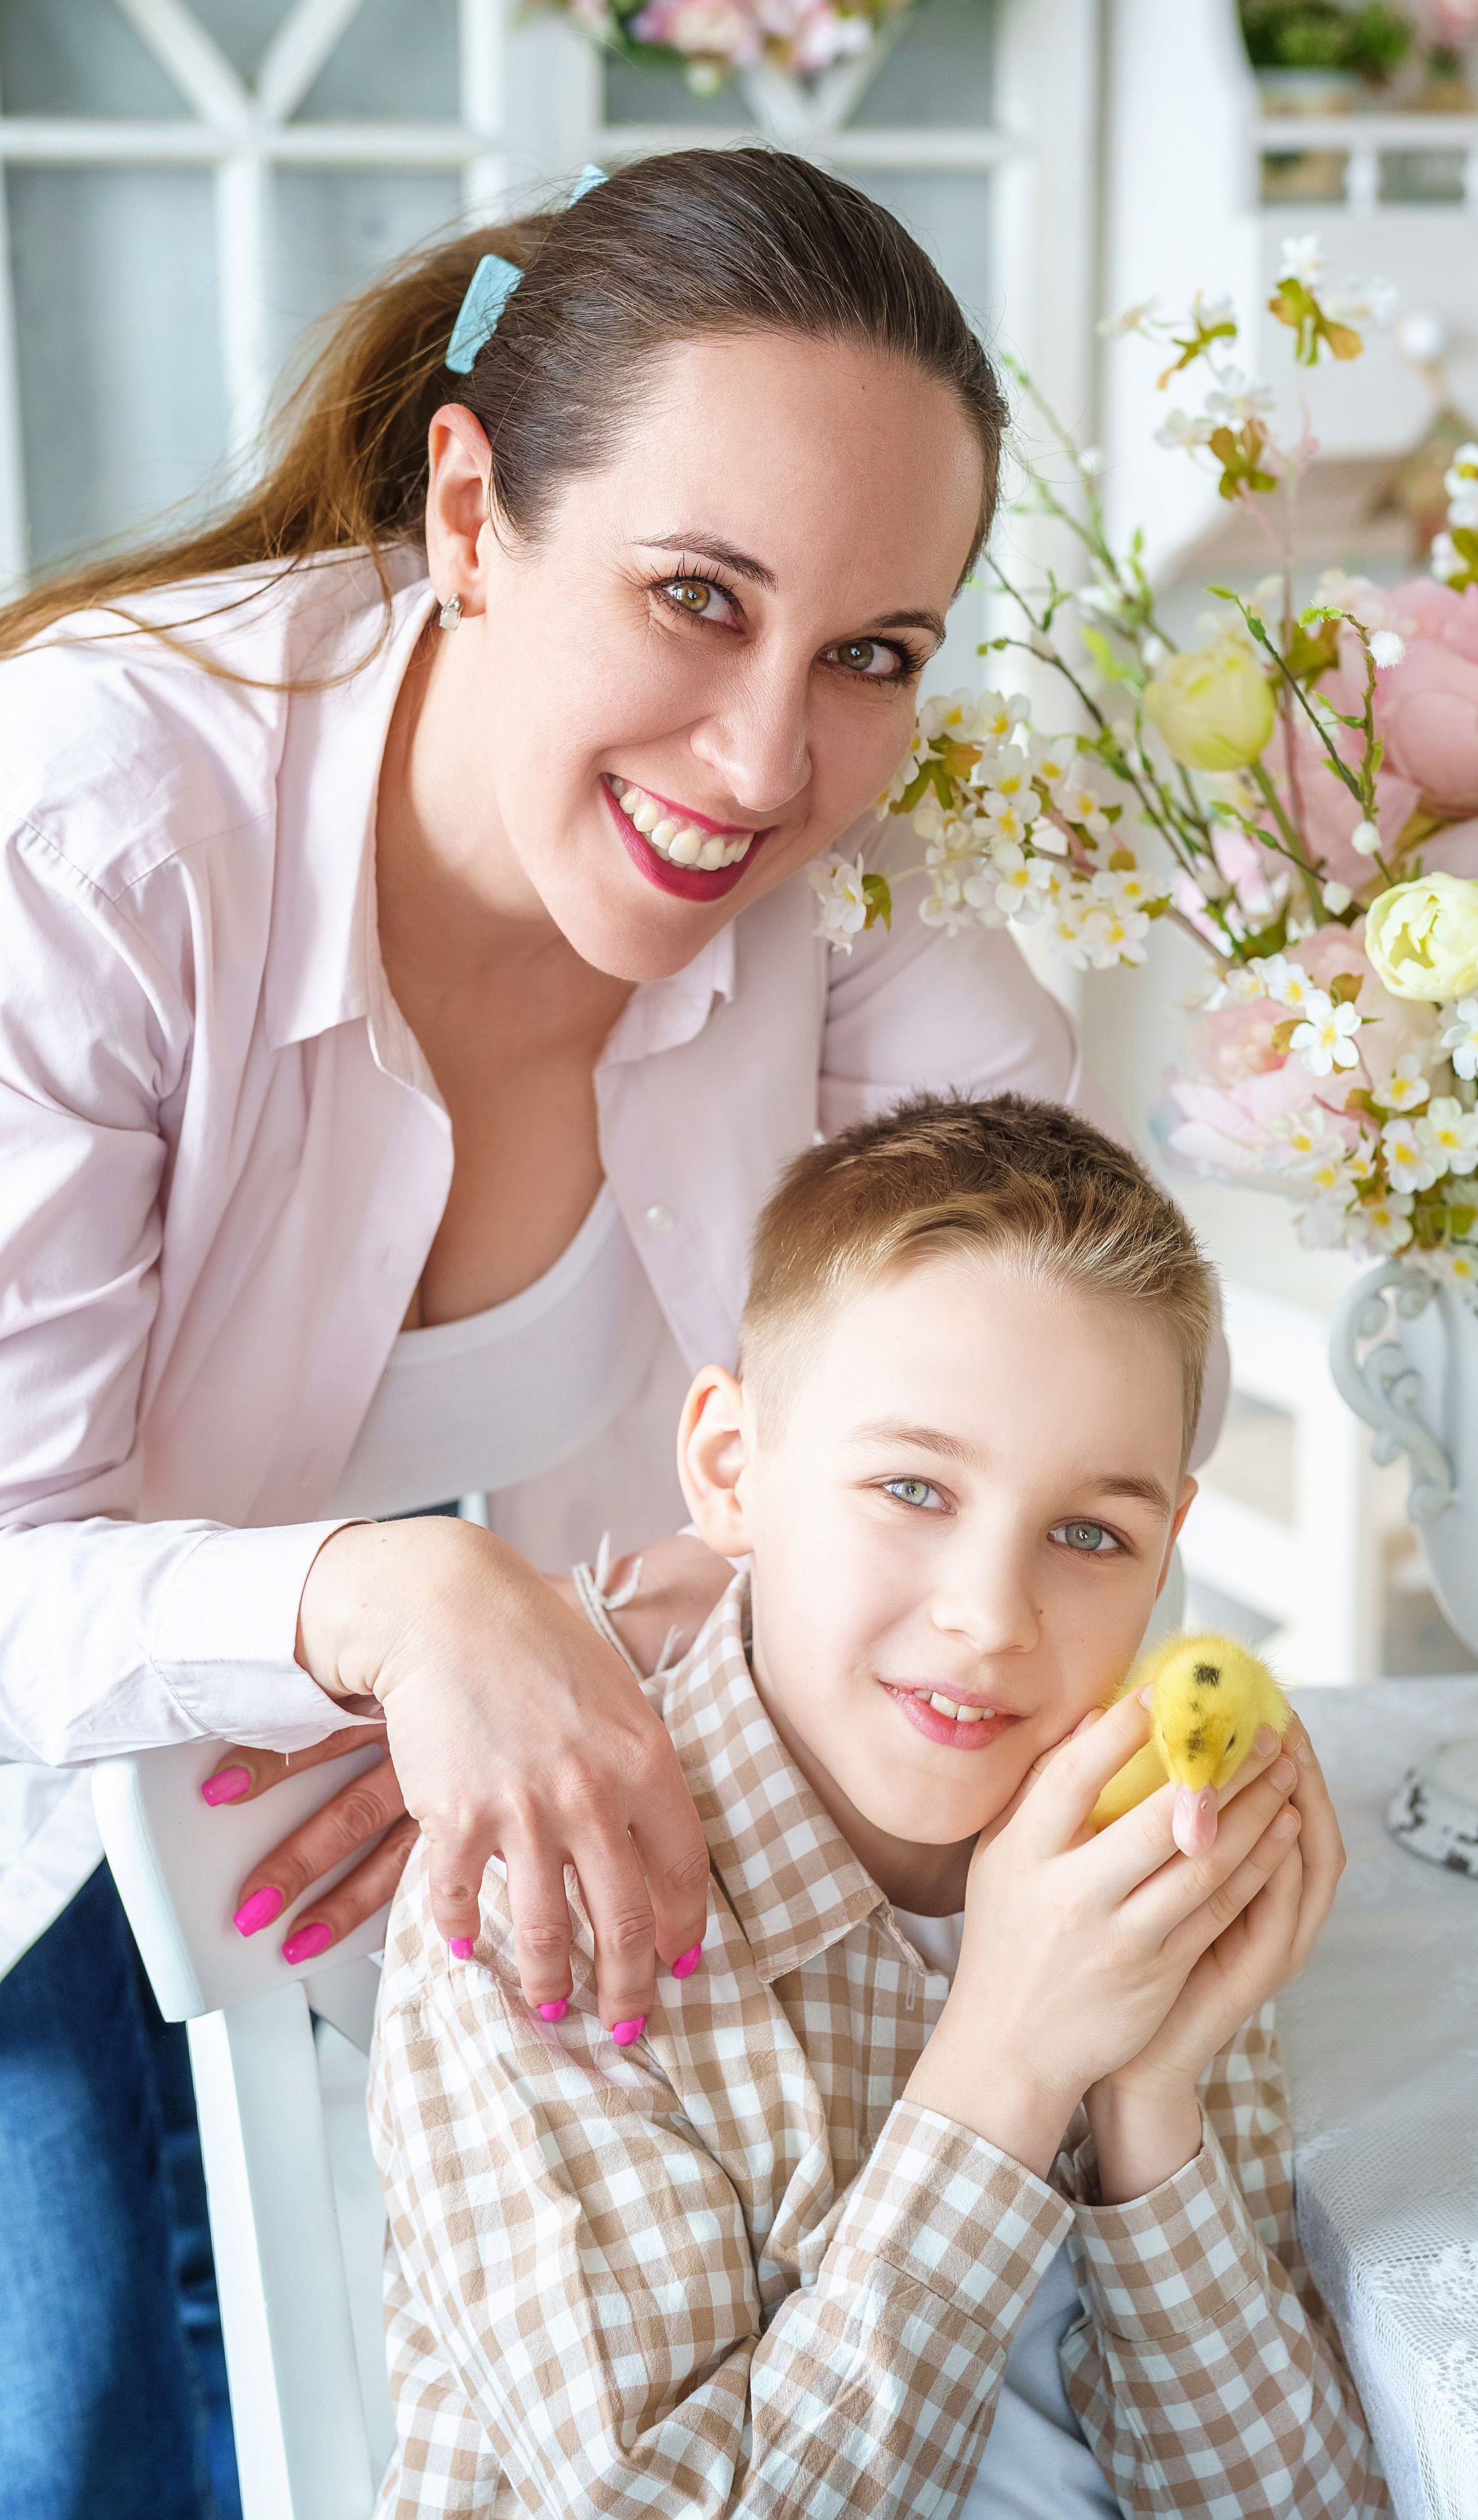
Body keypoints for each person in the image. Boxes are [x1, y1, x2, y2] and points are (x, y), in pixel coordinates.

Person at [0, 152, 1226, 2518]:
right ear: (471, 515)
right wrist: (395, 1609)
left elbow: (1046, 1376)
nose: (766, 765)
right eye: (696, 598)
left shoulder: (853, 891)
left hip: (469, 1871)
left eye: (873, 652)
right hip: (38, 1791)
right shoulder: (90, 827)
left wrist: (612, 1629)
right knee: (82, 2435)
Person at [371, 1093, 1381, 2518]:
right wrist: (1010, 2054)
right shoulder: (547, 1908)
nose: (992, 1615)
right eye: (912, 1487)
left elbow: (1296, 2503)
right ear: (732, 1468)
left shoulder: (1140, 1852)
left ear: (1165, 1554)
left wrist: (1148, 2092)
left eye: (1089, 1532)